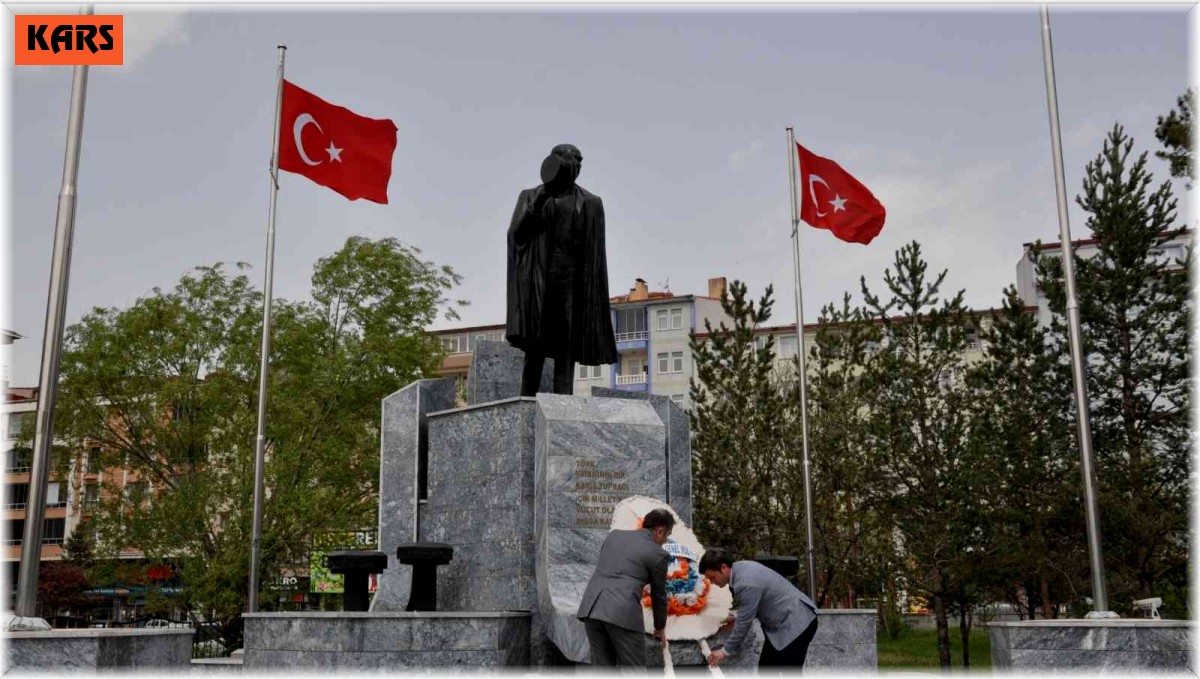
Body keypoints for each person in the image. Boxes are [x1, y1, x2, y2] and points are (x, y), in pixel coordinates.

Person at [505, 143, 619, 396]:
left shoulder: (591, 203)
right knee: (534, 348)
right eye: (573, 160)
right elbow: (516, 235)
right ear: (556, 161)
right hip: (539, 283)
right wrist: (542, 196)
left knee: (566, 350)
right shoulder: (530, 196)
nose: (577, 166)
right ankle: (526, 399)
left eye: (580, 162)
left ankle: (563, 401)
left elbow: (596, 256)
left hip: (573, 285)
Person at [576, 508, 674, 667]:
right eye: (668, 535)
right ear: (660, 531)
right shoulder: (658, 554)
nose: (666, 541)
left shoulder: (614, 536)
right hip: (622, 613)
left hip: (591, 608)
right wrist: (660, 627)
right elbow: (659, 595)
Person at [698, 548, 819, 671]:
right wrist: (735, 618)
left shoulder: (746, 583)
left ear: (723, 568)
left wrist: (724, 651)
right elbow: (752, 606)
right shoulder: (741, 568)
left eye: (712, 577)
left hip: (797, 622)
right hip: (783, 625)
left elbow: (745, 622)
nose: (712, 583)